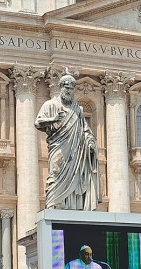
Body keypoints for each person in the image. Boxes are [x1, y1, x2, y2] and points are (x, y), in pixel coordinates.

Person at [35, 72, 101, 211]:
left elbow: (85, 129)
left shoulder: (77, 109)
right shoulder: (50, 104)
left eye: (72, 89)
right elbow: (38, 122)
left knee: (75, 176)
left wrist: (90, 142)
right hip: (58, 146)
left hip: (76, 150)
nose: (69, 91)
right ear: (61, 88)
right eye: (67, 88)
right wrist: (53, 119)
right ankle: (53, 204)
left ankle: (73, 206)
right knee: (55, 173)